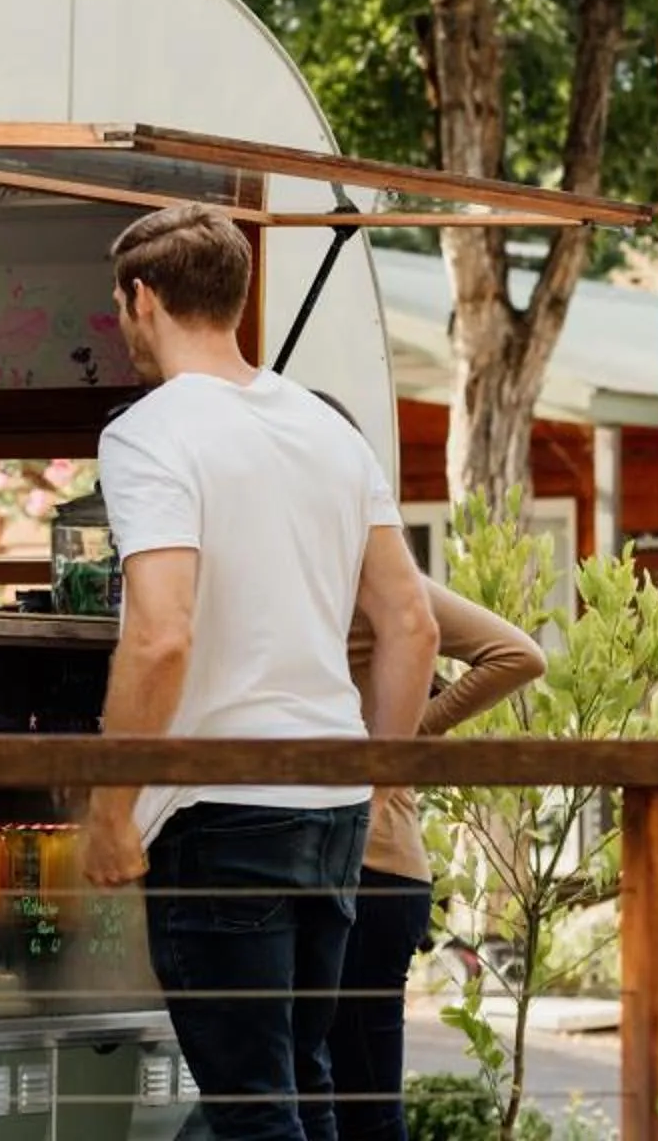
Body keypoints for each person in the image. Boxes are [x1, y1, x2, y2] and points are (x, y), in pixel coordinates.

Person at [82, 204, 439, 1141]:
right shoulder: (326, 430)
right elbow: (410, 622)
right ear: (236, 301)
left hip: (219, 814)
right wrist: (375, 779)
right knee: (300, 1085)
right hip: (331, 806)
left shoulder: (149, 432)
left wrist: (111, 809)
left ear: (141, 298)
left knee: (253, 1111)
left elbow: (162, 635)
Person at [307, 392, 548, 1141]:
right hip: (372, 864)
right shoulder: (324, 567)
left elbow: (519, 653)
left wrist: (403, 734)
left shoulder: (357, 570)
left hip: (366, 862)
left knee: (349, 1098)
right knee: (341, 1093)